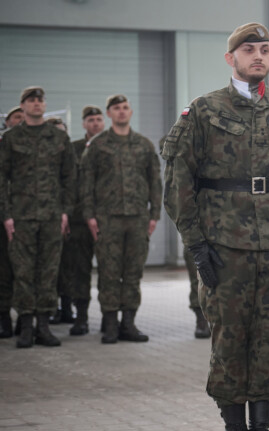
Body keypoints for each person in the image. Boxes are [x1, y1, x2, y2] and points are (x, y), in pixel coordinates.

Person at [162, 22, 269, 431]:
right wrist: (196, 243)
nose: (258, 56)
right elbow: (178, 181)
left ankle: (262, 429)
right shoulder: (203, 111)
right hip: (223, 244)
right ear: (230, 58)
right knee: (229, 337)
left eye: (265, 49)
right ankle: (235, 430)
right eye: (248, 49)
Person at [80, 94, 161, 343]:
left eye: (125, 107)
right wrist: (89, 216)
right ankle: (110, 324)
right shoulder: (98, 145)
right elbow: (86, 183)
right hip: (107, 219)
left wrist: (154, 214)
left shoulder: (144, 145)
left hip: (138, 218)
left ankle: (129, 323)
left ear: (131, 112)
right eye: (117, 108)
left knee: (133, 272)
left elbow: (155, 182)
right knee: (109, 272)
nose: (122, 111)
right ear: (109, 114)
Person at [0, 86, 76, 349]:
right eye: (31, 101)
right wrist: (6, 215)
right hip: (20, 217)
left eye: (40, 100)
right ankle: (25, 326)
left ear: (44, 106)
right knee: (22, 271)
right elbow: (2, 179)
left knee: (48, 271)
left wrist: (65, 211)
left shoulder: (58, 138)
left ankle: (43, 325)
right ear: (22, 106)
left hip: (52, 215)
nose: (36, 104)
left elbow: (69, 177)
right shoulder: (10, 138)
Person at [55, 105, 105, 334]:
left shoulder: (112, 145)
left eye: (98, 119)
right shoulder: (72, 149)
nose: (95, 123)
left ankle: (110, 317)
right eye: (91, 120)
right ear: (84, 124)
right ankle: (81, 318)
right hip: (78, 220)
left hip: (106, 219)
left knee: (109, 272)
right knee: (79, 271)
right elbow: (63, 182)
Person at [0, 106, 26, 338]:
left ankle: (24, 319)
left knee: (23, 271)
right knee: (3, 272)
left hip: (23, 218)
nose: (20, 121)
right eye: (15, 117)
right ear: (6, 122)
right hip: (3, 217)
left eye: (22, 117)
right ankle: (3, 318)